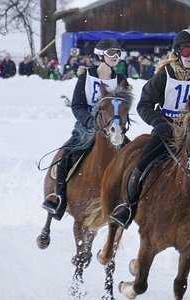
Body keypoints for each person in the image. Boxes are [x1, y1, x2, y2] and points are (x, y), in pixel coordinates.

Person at [108, 29, 190, 240]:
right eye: (187, 51)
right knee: (142, 164)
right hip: (166, 130)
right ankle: (128, 208)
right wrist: (158, 121)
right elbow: (144, 105)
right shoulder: (164, 76)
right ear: (177, 52)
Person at [42, 39, 127, 220]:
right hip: (86, 127)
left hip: (112, 128)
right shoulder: (86, 77)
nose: (116, 57)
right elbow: (77, 105)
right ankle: (59, 197)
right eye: (112, 53)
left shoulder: (120, 79)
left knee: (131, 155)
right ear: (101, 55)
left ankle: (126, 203)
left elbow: (123, 106)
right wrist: (90, 122)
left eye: (119, 53)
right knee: (66, 154)